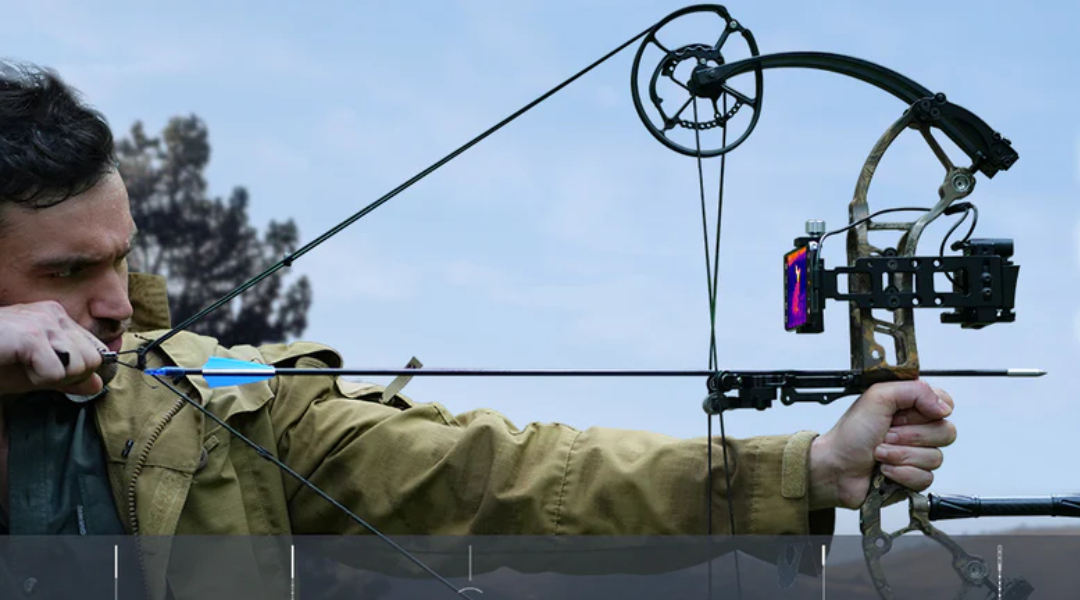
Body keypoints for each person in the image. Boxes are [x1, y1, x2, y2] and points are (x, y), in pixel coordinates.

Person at [0, 61, 957, 599]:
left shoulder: (215, 405)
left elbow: (502, 480)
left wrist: (801, 470)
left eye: (121, 257)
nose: (118, 303)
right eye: (68, 273)